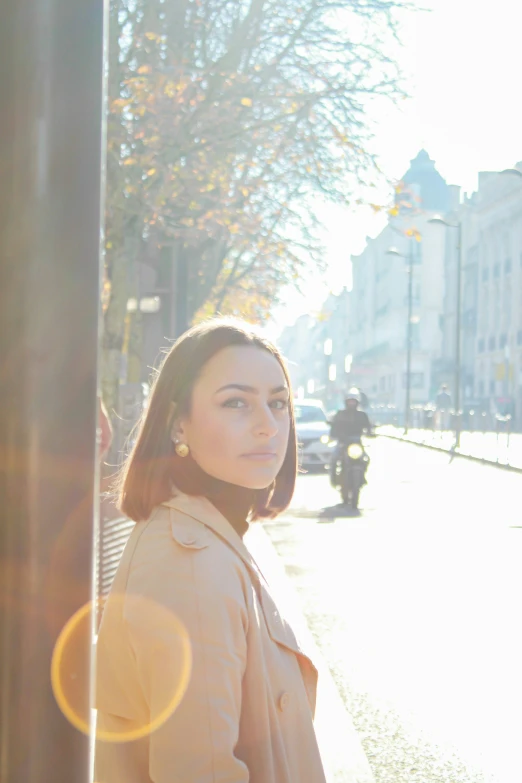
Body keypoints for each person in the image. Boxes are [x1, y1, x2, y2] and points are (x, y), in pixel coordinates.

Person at [94, 318, 326, 783]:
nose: (268, 426)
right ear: (179, 424)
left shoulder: (213, 532)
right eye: (236, 402)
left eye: (278, 403)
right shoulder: (191, 565)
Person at [329, 389, 373, 486]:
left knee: (366, 459)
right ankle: (334, 479)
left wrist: (370, 432)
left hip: (356, 442)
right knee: (334, 458)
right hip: (343, 442)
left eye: (353, 401)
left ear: (357, 402)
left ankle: (362, 476)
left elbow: (368, 426)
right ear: (346, 402)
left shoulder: (362, 415)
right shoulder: (340, 414)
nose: (351, 403)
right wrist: (333, 434)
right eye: (350, 401)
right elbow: (334, 426)